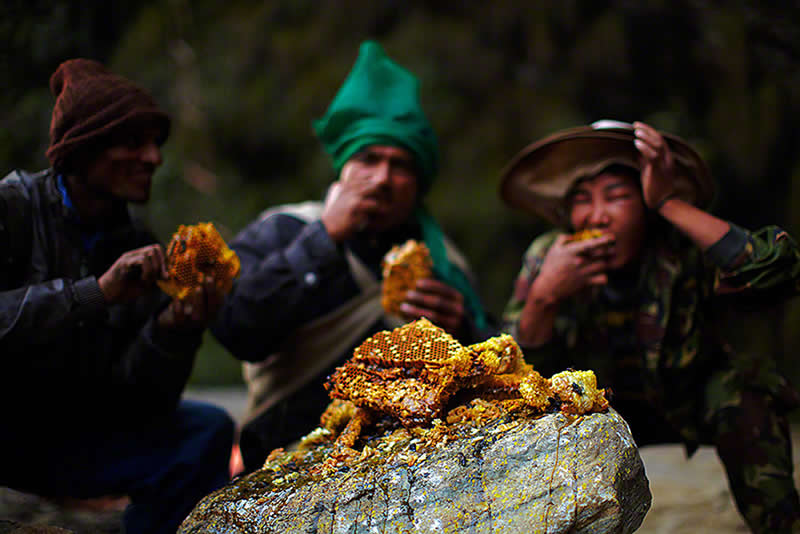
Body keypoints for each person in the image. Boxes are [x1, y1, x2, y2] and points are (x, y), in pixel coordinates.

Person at [500, 120, 800, 532]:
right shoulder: (548, 254)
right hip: (593, 410)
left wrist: (670, 203)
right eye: (583, 200)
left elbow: (777, 269)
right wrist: (545, 295)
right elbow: (511, 364)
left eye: (617, 196)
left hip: (687, 398)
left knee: (745, 391)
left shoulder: (680, 243)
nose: (597, 216)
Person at [212, 40, 491, 472]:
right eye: (368, 158)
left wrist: (462, 330)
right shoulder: (284, 229)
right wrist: (324, 237)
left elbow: (488, 382)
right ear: (343, 166)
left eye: (400, 166)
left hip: (404, 463)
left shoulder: (445, 264)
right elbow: (237, 328)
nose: (382, 179)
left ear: (418, 183)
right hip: (282, 452)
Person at [0, 59, 235, 534]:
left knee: (206, 430)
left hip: (71, 440)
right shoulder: (13, 207)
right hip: (6, 431)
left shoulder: (135, 241)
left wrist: (174, 331)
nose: (153, 158)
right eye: (133, 143)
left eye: (155, 144)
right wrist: (95, 293)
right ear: (82, 150)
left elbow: (137, 402)